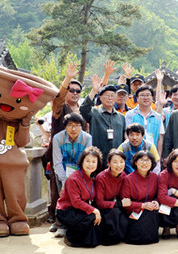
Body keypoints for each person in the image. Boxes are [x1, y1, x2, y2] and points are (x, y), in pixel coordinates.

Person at [46, 62, 81, 230]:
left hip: (78, 156)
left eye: (77, 91)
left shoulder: (82, 109)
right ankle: (56, 217)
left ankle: (72, 217)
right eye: (71, 90)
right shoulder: (60, 108)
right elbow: (58, 99)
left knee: (77, 188)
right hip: (59, 153)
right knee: (57, 186)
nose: (74, 93)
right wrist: (68, 78)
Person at [51, 112, 92, 238]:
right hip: (62, 172)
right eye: (70, 125)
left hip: (80, 172)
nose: (73, 129)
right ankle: (60, 224)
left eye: (77, 125)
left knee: (77, 199)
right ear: (65, 127)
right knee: (62, 197)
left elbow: (87, 158)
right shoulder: (58, 138)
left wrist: (78, 179)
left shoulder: (87, 138)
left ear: (82, 126)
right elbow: (57, 161)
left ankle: (72, 223)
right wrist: (65, 181)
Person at [56, 146, 104, 247]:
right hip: (67, 210)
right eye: (88, 161)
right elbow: (76, 202)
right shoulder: (74, 178)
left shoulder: (92, 178)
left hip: (79, 209)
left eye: (93, 162)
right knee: (91, 216)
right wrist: (94, 210)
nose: (90, 164)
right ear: (82, 162)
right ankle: (71, 237)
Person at [79, 76, 125, 165]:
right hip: (98, 160)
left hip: (116, 162)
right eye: (107, 95)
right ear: (100, 98)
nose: (110, 98)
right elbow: (83, 109)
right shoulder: (94, 112)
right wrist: (94, 91)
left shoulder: (121, 117)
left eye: (112, 96)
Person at [122, 150, 160, 244]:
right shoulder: (128, 179)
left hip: (150, 210)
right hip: (134, 212)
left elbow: (158, 196)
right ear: (135, 162)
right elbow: (126, 203)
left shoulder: (155, 177)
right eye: (142, 160)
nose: (145, 163)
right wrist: (143, 205)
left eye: (148, 161)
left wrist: (156, 202)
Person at [94, 149, 130, 245]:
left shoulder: (123, 175)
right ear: (109, 163)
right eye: (115, 162)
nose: (119, 165)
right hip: (103, 209)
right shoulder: (101, 177)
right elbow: (100, 203)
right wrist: (118, 204)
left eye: (121, 162)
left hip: (116, 206)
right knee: (115, 213)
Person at [125, 84, 165, 156]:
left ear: (152, 97)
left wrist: (158, 157)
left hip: (152, 156)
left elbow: (160, 139)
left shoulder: (158, 117)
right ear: (137, 97)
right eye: (142, 95)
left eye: (148, 95)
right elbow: (126, 136)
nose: (145, 98)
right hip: (134, 156)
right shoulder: (130, 115)